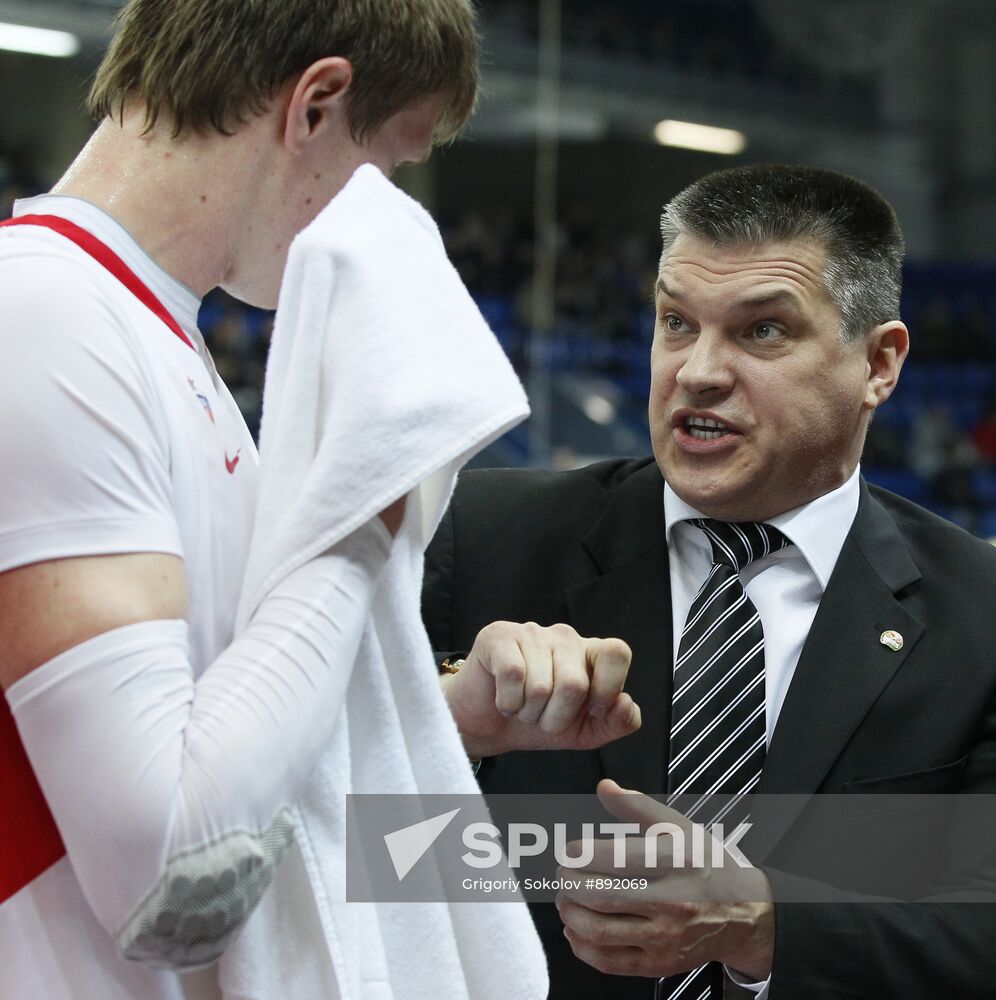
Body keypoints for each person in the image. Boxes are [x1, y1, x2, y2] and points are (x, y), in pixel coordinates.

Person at [0, 3, 640, 998]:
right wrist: (359, 523)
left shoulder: (140, 331)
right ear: (317, 104)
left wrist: (440, 719)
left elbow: (207, 737)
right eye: (387, 166)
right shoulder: (46, 318)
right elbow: (171, 876)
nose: (382, 212)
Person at [424, 163, 996, 999]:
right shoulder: (483, 536)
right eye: (676, 323)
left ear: (879, 363)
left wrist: (764, 925)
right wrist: (449, 727)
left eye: (762, 331)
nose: (697, 371)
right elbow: (319, 841)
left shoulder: (979, 613)